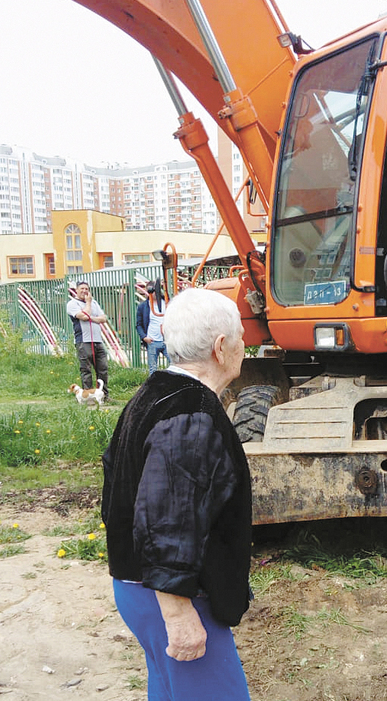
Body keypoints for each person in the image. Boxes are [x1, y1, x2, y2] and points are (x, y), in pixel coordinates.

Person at [102, 287, 251, 701]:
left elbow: (115, 487)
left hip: (140, 587)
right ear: (222, 348)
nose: (246, 344)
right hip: (174, 597)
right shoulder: (191, 415)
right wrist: (178, 612)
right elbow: (167, 520)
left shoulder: (154, 393)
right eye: (241, 335)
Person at [66, 281, 109, 399]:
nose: (84, 291)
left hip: (97, 340)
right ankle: (87, 397)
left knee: (103, 368)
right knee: (86, 370)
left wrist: (91, 318)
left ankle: (104, 395)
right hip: (83, 341)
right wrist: (88, 303)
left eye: (86, 289)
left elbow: (103, 318)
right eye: (82, 289)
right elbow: (84, 315)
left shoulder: (94, 303)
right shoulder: (72, 304)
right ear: (76, 290)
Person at [136, 279, 170, 376]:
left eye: (154, 290)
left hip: (166, 340)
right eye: (150, 291)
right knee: (153, 368)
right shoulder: (143, 306)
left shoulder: (166, 302)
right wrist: (144, 337)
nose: (152, 293)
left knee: (174, 363)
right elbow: (138, 324)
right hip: (152, 341)